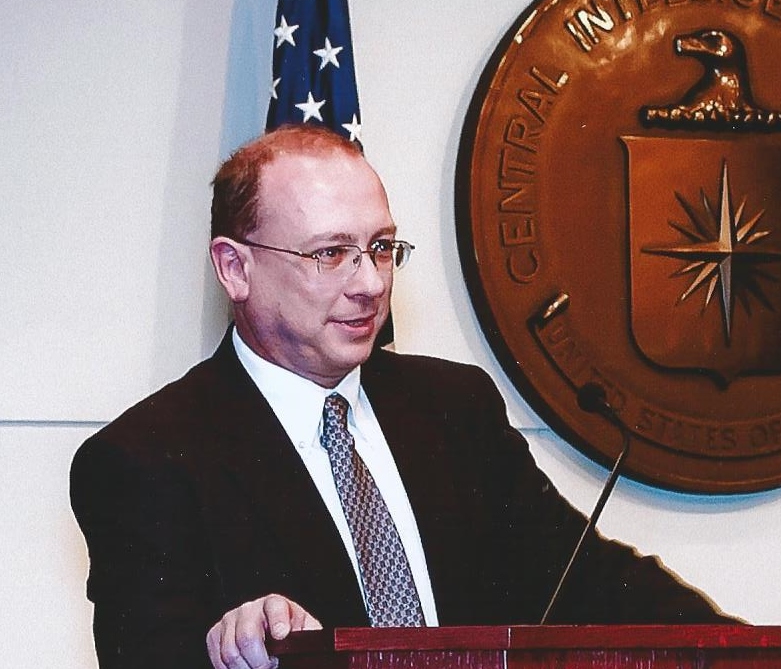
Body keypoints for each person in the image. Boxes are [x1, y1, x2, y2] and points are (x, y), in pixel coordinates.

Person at [70, 125, 732, 669]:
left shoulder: (454, 407)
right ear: (235, 267)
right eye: (331, 253)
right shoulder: (148, 460)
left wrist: (741, 650)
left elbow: (586, 580)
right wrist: (239, 650)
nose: (369, 284)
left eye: (381, 248)